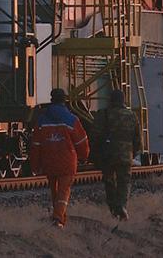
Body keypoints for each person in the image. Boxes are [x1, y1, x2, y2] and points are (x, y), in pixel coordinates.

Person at [29, 88, 90, 228]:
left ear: (51, 100)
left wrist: (35, 165)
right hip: (67, 162)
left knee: (54, 191)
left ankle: (59, 217)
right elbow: (81, 141)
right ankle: (58, 220)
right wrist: (84, 156)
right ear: (64, 101)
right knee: (63, 191)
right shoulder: (71, 119)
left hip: (48, 161)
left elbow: (35, 145)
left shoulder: (42, 120)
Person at [91, 89, 141, 220]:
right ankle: (122, 206)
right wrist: (132, 153)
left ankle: (113, 209)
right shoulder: (132, 115)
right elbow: (137, 140)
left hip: (108, 155)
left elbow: (95, 135)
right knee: (124, 182)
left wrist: (95, 153)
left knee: (109, 182)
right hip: (126, 155)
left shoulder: (104, 114)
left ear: (111, 100)